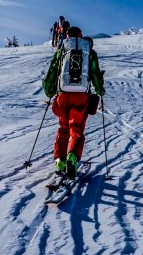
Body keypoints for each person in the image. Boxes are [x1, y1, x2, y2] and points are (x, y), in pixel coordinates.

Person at [42, 26, 105, 180]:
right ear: (81, 35)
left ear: (67, 36)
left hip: (63, 95)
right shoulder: (89, 50)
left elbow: (53, 71)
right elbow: (95, 72)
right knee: (76, 129)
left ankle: (59, 161)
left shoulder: (62, 49)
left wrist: (50, 92)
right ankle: (72, 158)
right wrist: (99, 90)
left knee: (63, 127)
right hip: (81, 95)